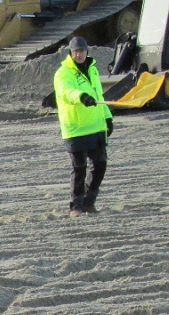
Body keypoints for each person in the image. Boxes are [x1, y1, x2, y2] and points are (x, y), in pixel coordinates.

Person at [53, 36, 113, 217]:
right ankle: (76, 207)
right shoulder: (63, 73)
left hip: (96, 126)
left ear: (87, 52)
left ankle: (89, 202)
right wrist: (82, 97)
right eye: (76, 51)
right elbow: (66, 92)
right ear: (71, 53)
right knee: (79, 169)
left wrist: (108, 118)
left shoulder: (93, 70)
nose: (79, 54)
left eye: (82, 51)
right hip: (76, 128)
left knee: (100, 165)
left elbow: (99, 95)